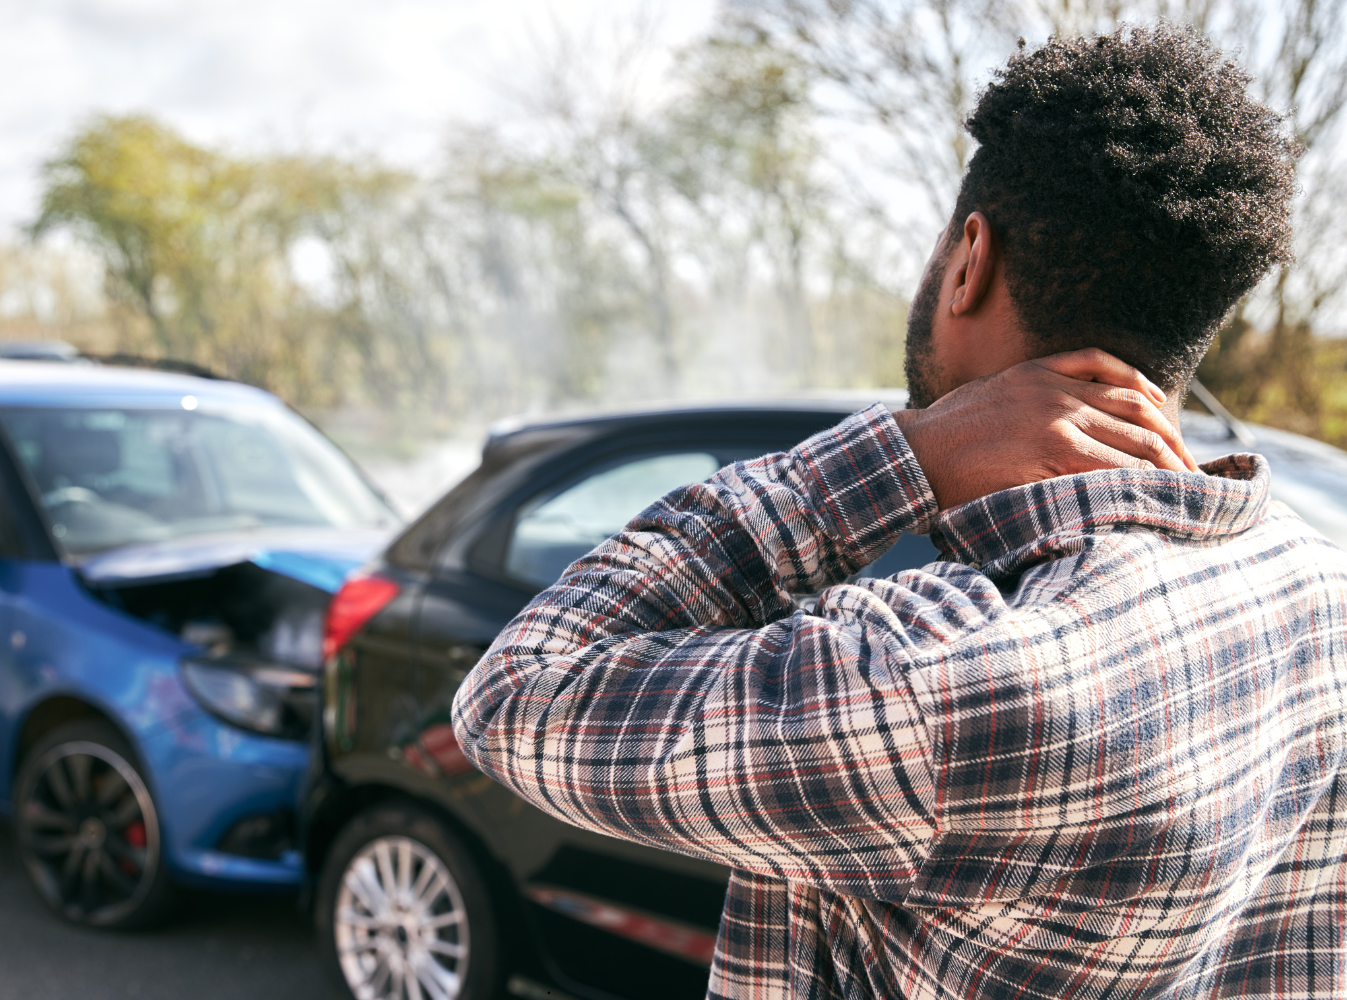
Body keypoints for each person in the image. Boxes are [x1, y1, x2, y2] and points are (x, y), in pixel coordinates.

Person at [453, 24, 1345, 1000]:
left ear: (970, 260)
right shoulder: (1323, 591)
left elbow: (516, 694)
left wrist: (903, 454)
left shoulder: (940, 681)